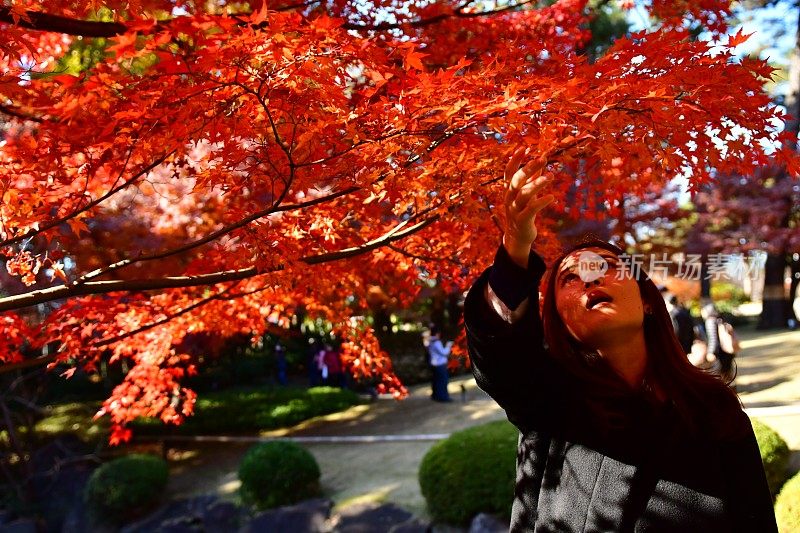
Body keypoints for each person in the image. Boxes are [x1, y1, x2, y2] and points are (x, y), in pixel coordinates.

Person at [464, 148, 776, 531]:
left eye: (604, 268)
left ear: (647, 301)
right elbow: (499, 355)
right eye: (570, 279)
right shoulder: (546, 399)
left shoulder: (713, 409)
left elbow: (755, 519)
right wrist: (514, 248)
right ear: (561, 323)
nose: (589, 280)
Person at [701, 303, 737, 384]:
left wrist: (711, 352)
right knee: (727, 373)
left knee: (718, 375)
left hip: (719, 352)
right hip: (727, 350)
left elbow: (713, 338)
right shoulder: (721, 319)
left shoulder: (710, 321)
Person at [663, 292, 696, 356]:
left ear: (667, 302)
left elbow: (674, 331)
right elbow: (692, 330)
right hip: (686, 346)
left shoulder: (672, 315)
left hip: (676, 348)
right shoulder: (685, 313)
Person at [427, 326, 454, 402]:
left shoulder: (430, 341)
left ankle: (436, 396)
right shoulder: (437, 342)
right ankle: (443, 397)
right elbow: (444, 353)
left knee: (436, 380)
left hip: (434, 364)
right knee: (443, 380)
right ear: (437, 333)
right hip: (440, 364)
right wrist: (448, 346)